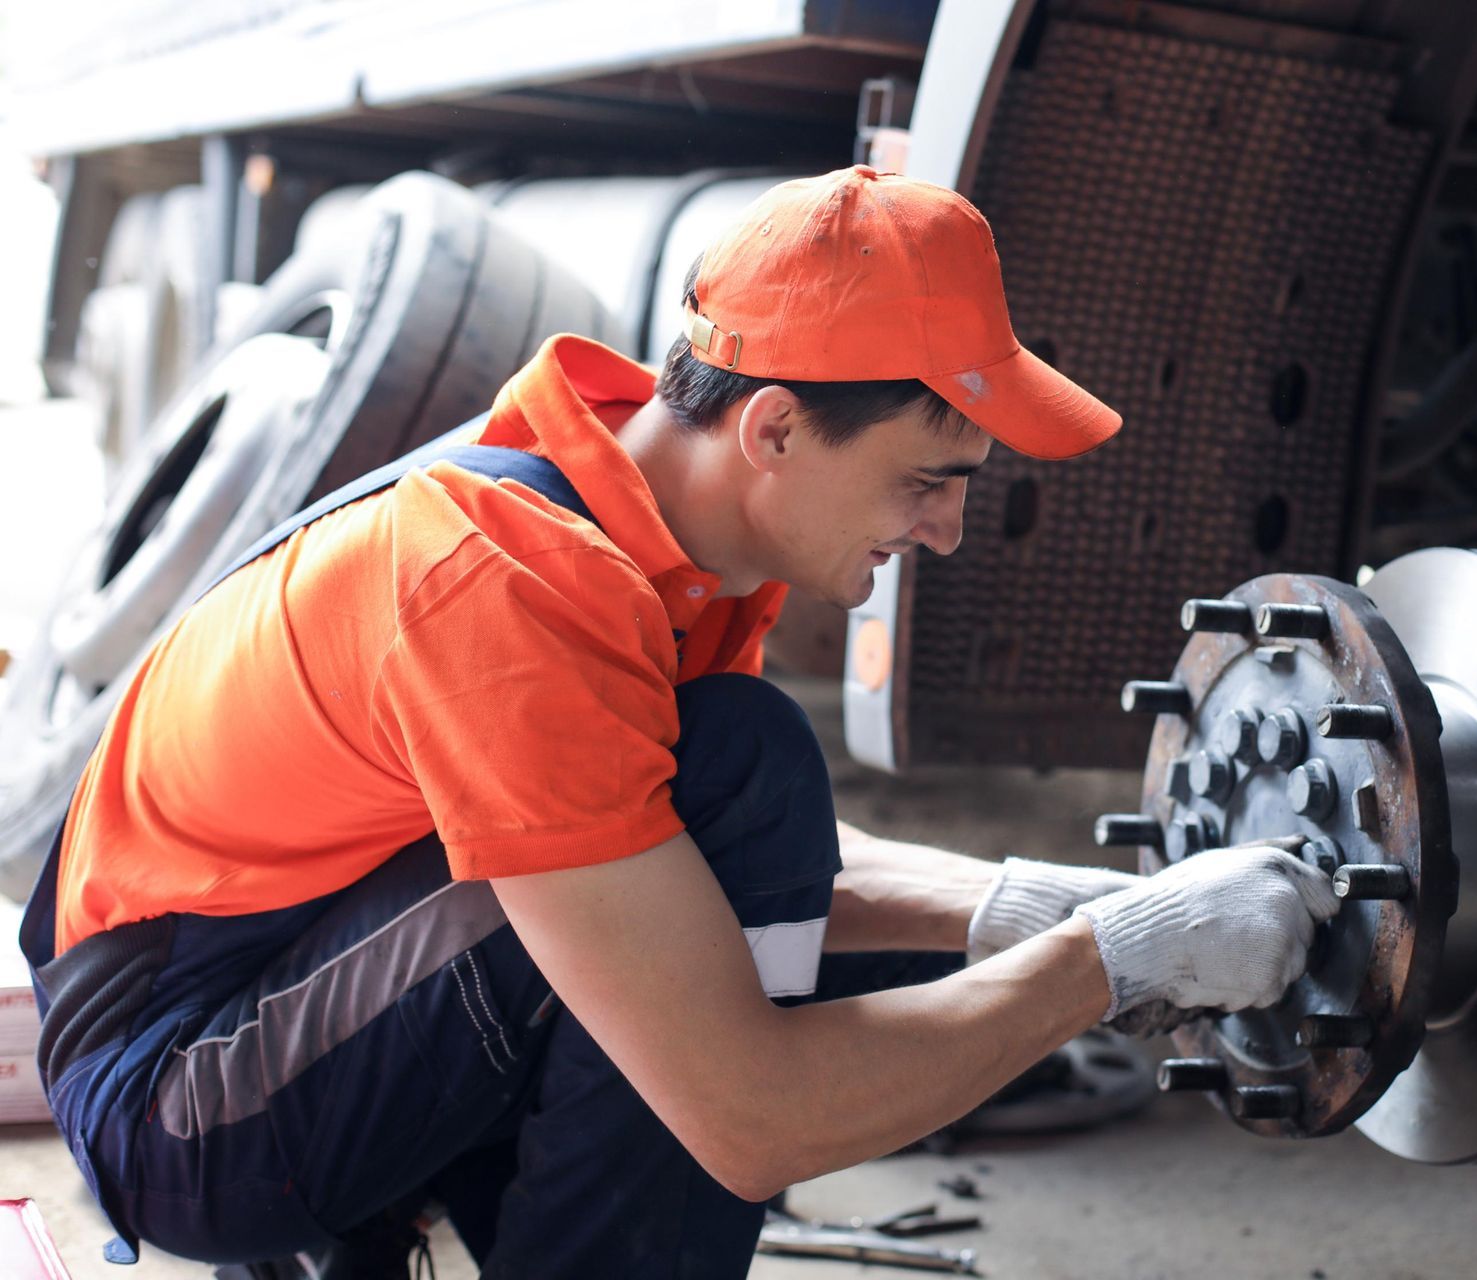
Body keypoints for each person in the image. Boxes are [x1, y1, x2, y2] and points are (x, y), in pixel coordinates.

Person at [21, 166, 1337, 1277]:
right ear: (771, 429)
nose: (942, 529)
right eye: (927, 481)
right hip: (182, 1092)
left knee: (757, 813)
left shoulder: (660, 536)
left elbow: (670, 837)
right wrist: (1104, 962)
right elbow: (749, 1121)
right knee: (757, 850)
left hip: (287, 985)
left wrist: (1021, 905)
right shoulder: (502, 583)